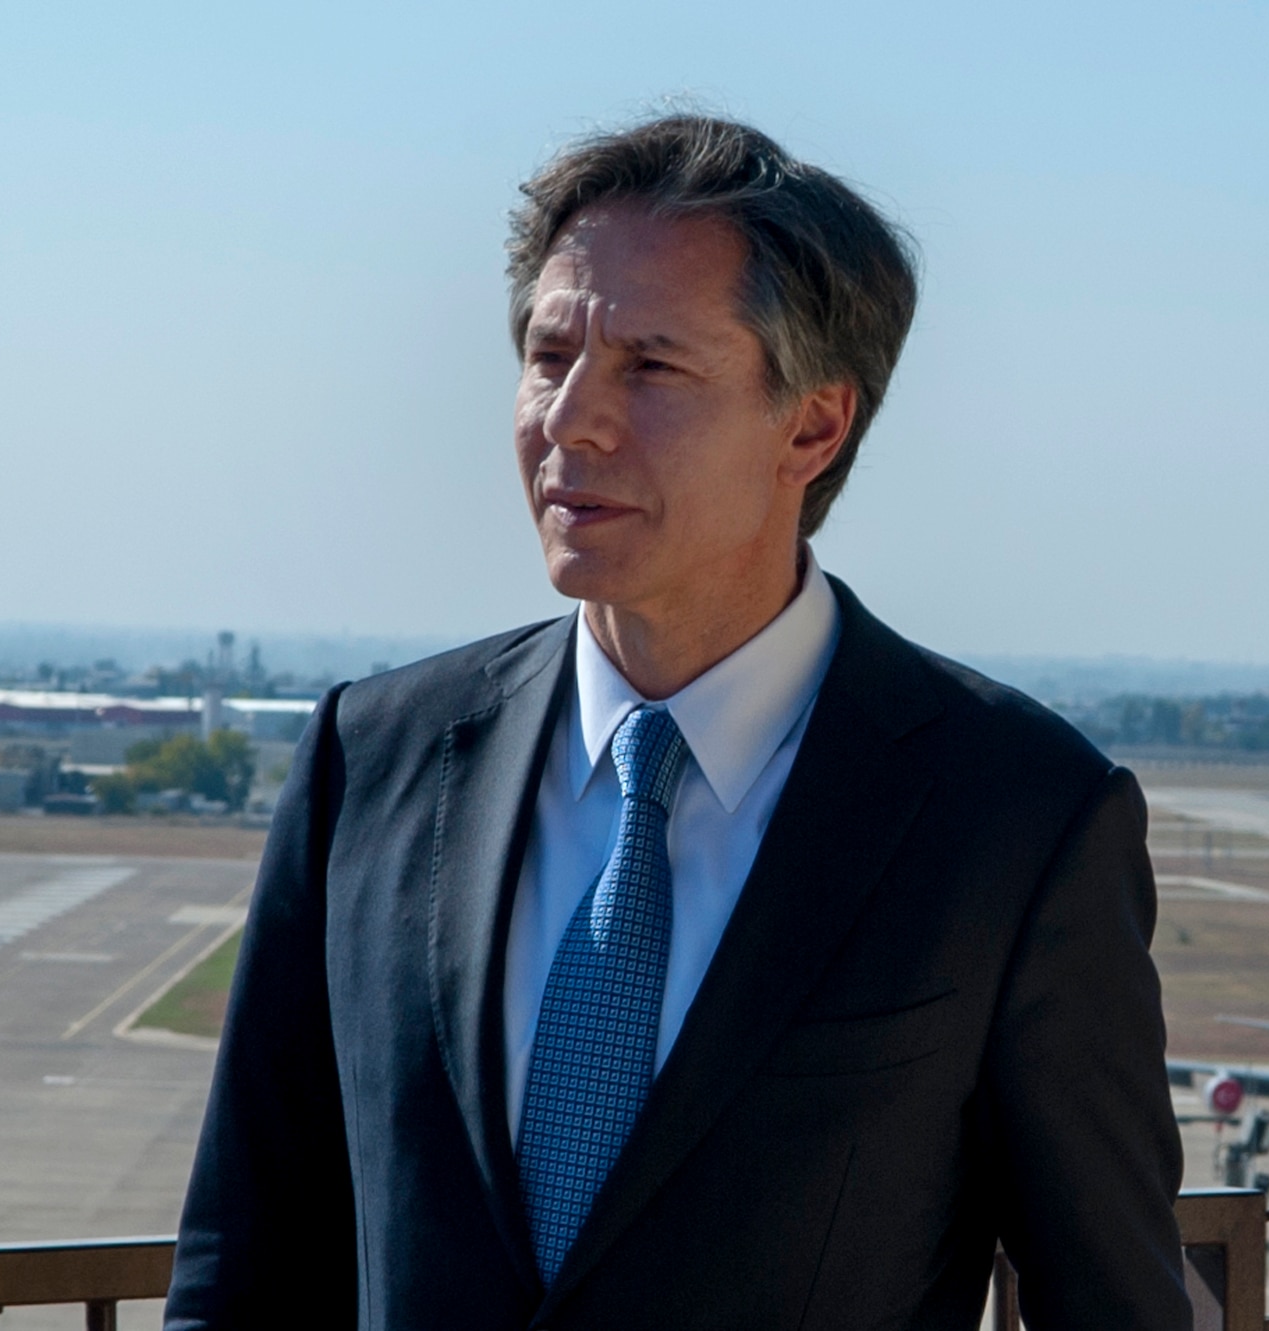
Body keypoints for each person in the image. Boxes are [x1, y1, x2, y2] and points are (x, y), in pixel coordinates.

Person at [164, 114, 1188, 1330]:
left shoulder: (1014, 818)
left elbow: (1113, 1302)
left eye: (648, 367)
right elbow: (247, 1260)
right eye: (550, 356)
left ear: (811, 426)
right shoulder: (366, 758)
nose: (571, 419)